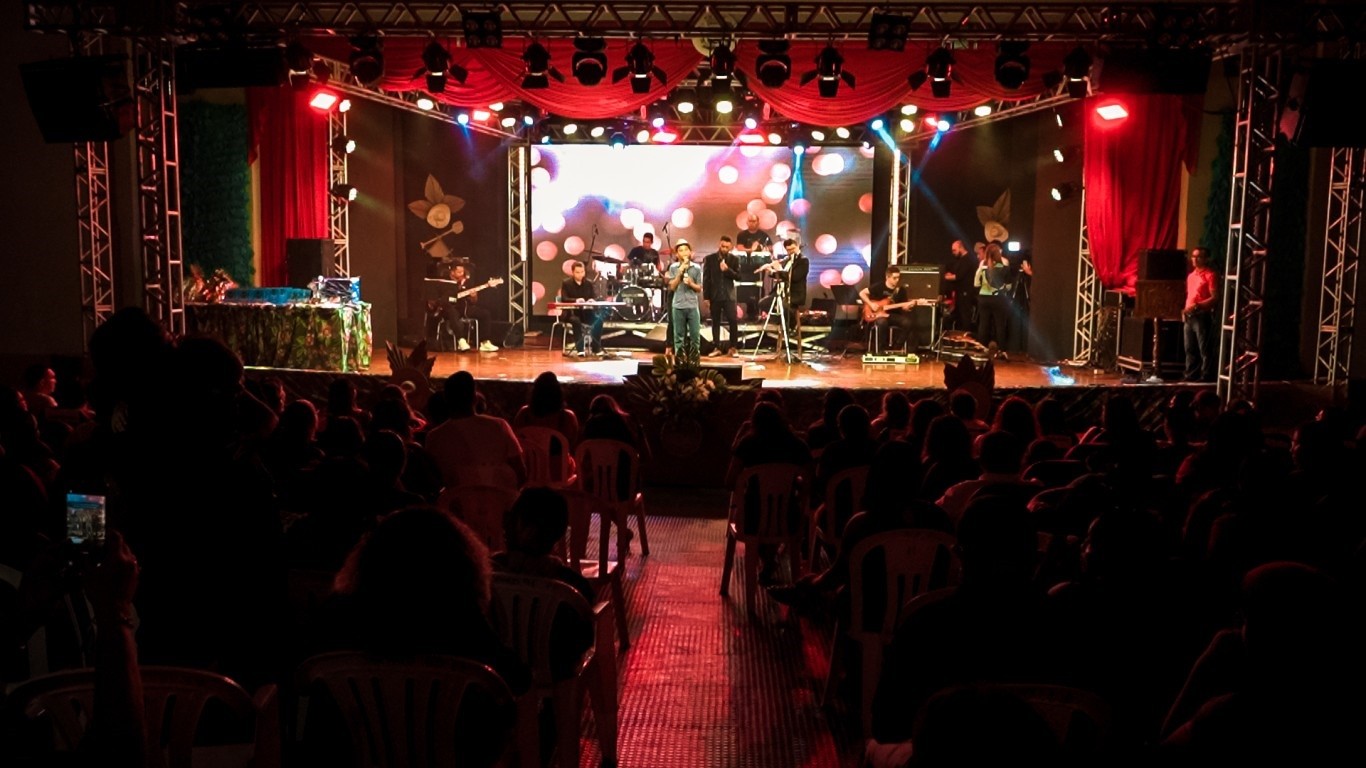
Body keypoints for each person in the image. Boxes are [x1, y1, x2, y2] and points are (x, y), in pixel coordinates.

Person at [424, 371, 527, 490]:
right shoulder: (499, 426)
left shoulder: (434, 437)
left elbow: (432, 482)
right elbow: (521, 473)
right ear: (475, 398)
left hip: (455, 500)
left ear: (446, 399)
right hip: (501, 499)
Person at [432, 261, 497, 353]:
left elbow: (473, 301)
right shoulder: (444, 281)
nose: (462, 274)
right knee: (452, 312)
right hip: (448, 309)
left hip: (464, 308)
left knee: (485, 314)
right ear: (452, 272)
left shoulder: (466, 282)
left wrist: (474, 296)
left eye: (463, 272)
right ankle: (461, 340)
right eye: (459, 272)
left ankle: (485, 342)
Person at [859, 266, 917, 352]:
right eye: (894, 278)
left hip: (893, 315)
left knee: (908, 323)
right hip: (879, 315)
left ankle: (896, 347)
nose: (897, 280)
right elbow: (862, 293)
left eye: (898, 278)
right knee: (882, 322)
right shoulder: (879, 286)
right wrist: (871, 304)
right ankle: (881, 350)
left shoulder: (901, 290)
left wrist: (909, 306)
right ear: (887, 277)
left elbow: (904, 307)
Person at [1183, 246, 1218, 383]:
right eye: (1193, 256)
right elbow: (1190, 295)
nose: (1195, 259)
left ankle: (1206, 375)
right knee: (1189, 348)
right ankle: (1190, 374)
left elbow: (1215, 298)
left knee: (1204, 348)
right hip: (1189, 315)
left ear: (1206, 259)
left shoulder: (1210, 275)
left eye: (1199, 257)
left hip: (1201, 315)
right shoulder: (1191, 276)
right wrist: (1185, 309)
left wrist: (1199, 305)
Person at [556, 260, 605, 358]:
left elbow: (594, 297)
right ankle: (580, 349)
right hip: (571, 313)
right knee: (576, 321)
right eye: (577, 272)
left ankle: (596, 348)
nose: (580, 274)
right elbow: (564, 299)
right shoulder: (566, 283)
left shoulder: (589, 283)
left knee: (599, 320)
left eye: (582, 272)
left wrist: (592, 300)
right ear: (573, 272)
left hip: (586, 312)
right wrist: (576, 300)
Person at [703, 236, 741, 357]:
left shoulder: (734, 259)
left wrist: (727, 270)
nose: (724, 249)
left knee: (733, 320)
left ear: (730, 247)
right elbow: (706, 279)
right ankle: (717, 347)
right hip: (715, 295)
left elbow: (739, 276)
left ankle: (733, 347)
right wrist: (706, 297)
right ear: (719, 245)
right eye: (722, 246)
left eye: (727, 247)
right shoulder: (710, 259)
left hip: (729, 296)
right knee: (715, 321)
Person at [665, 240, 703, 360]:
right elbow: (672, 287)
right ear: (677, 254)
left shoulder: (696, 268)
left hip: (692, 306)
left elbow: (699, 288)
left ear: (690, 252)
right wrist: (679, 272)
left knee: (695, 336)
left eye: (686, 249)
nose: (684, 252)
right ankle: (679, 360)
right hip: (678, 305)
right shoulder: (673, 267)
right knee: (678, 337)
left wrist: (691, 283)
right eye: (681, 250)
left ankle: (694, 360)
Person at [974, 241, 1012, 359]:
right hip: (998, 298)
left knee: (983, 324)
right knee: (1000, 325)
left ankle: (981, 349)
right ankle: (1002, 351)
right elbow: (1009, 286)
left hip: (983, 298)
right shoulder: (1004, 266)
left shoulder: (982, 265)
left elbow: (976, 283)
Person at [941, 239, 978, 332]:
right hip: (960, 292)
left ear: (961, 248)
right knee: (958, 316)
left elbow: (958, 276)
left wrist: (945, 277)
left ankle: (966, 334)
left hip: (966, 292)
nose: (953, 253)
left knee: (965, 316)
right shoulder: (961, 260)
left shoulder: (968, 260)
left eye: (954, 250)